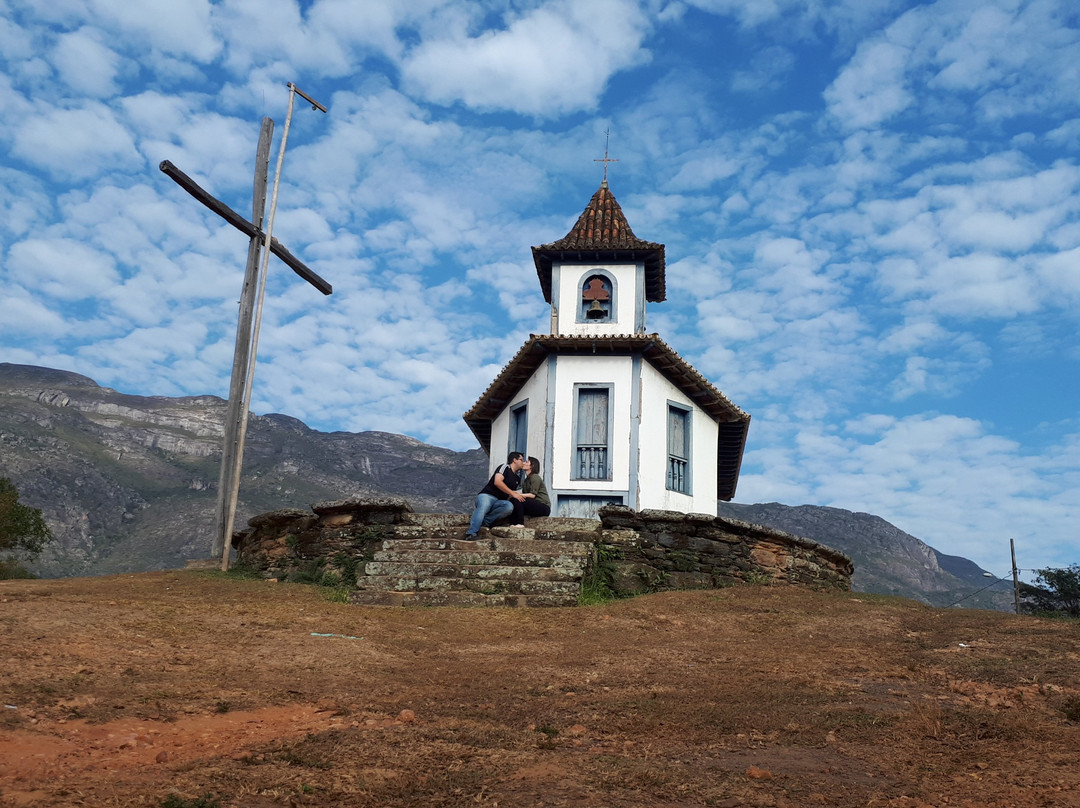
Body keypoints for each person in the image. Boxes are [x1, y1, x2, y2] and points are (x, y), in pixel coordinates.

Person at [464, 452, 526, 538]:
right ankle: (471, 533)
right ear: (514, 460)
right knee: (484, 506)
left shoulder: (517, 478)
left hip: (499, 501)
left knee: (508, 507)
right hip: (487, 496)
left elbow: (510, 494)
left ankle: (484, 522)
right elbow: (497, 482)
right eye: (521, 460)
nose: (523, 462)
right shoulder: (504, 467)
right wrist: (513, 493)